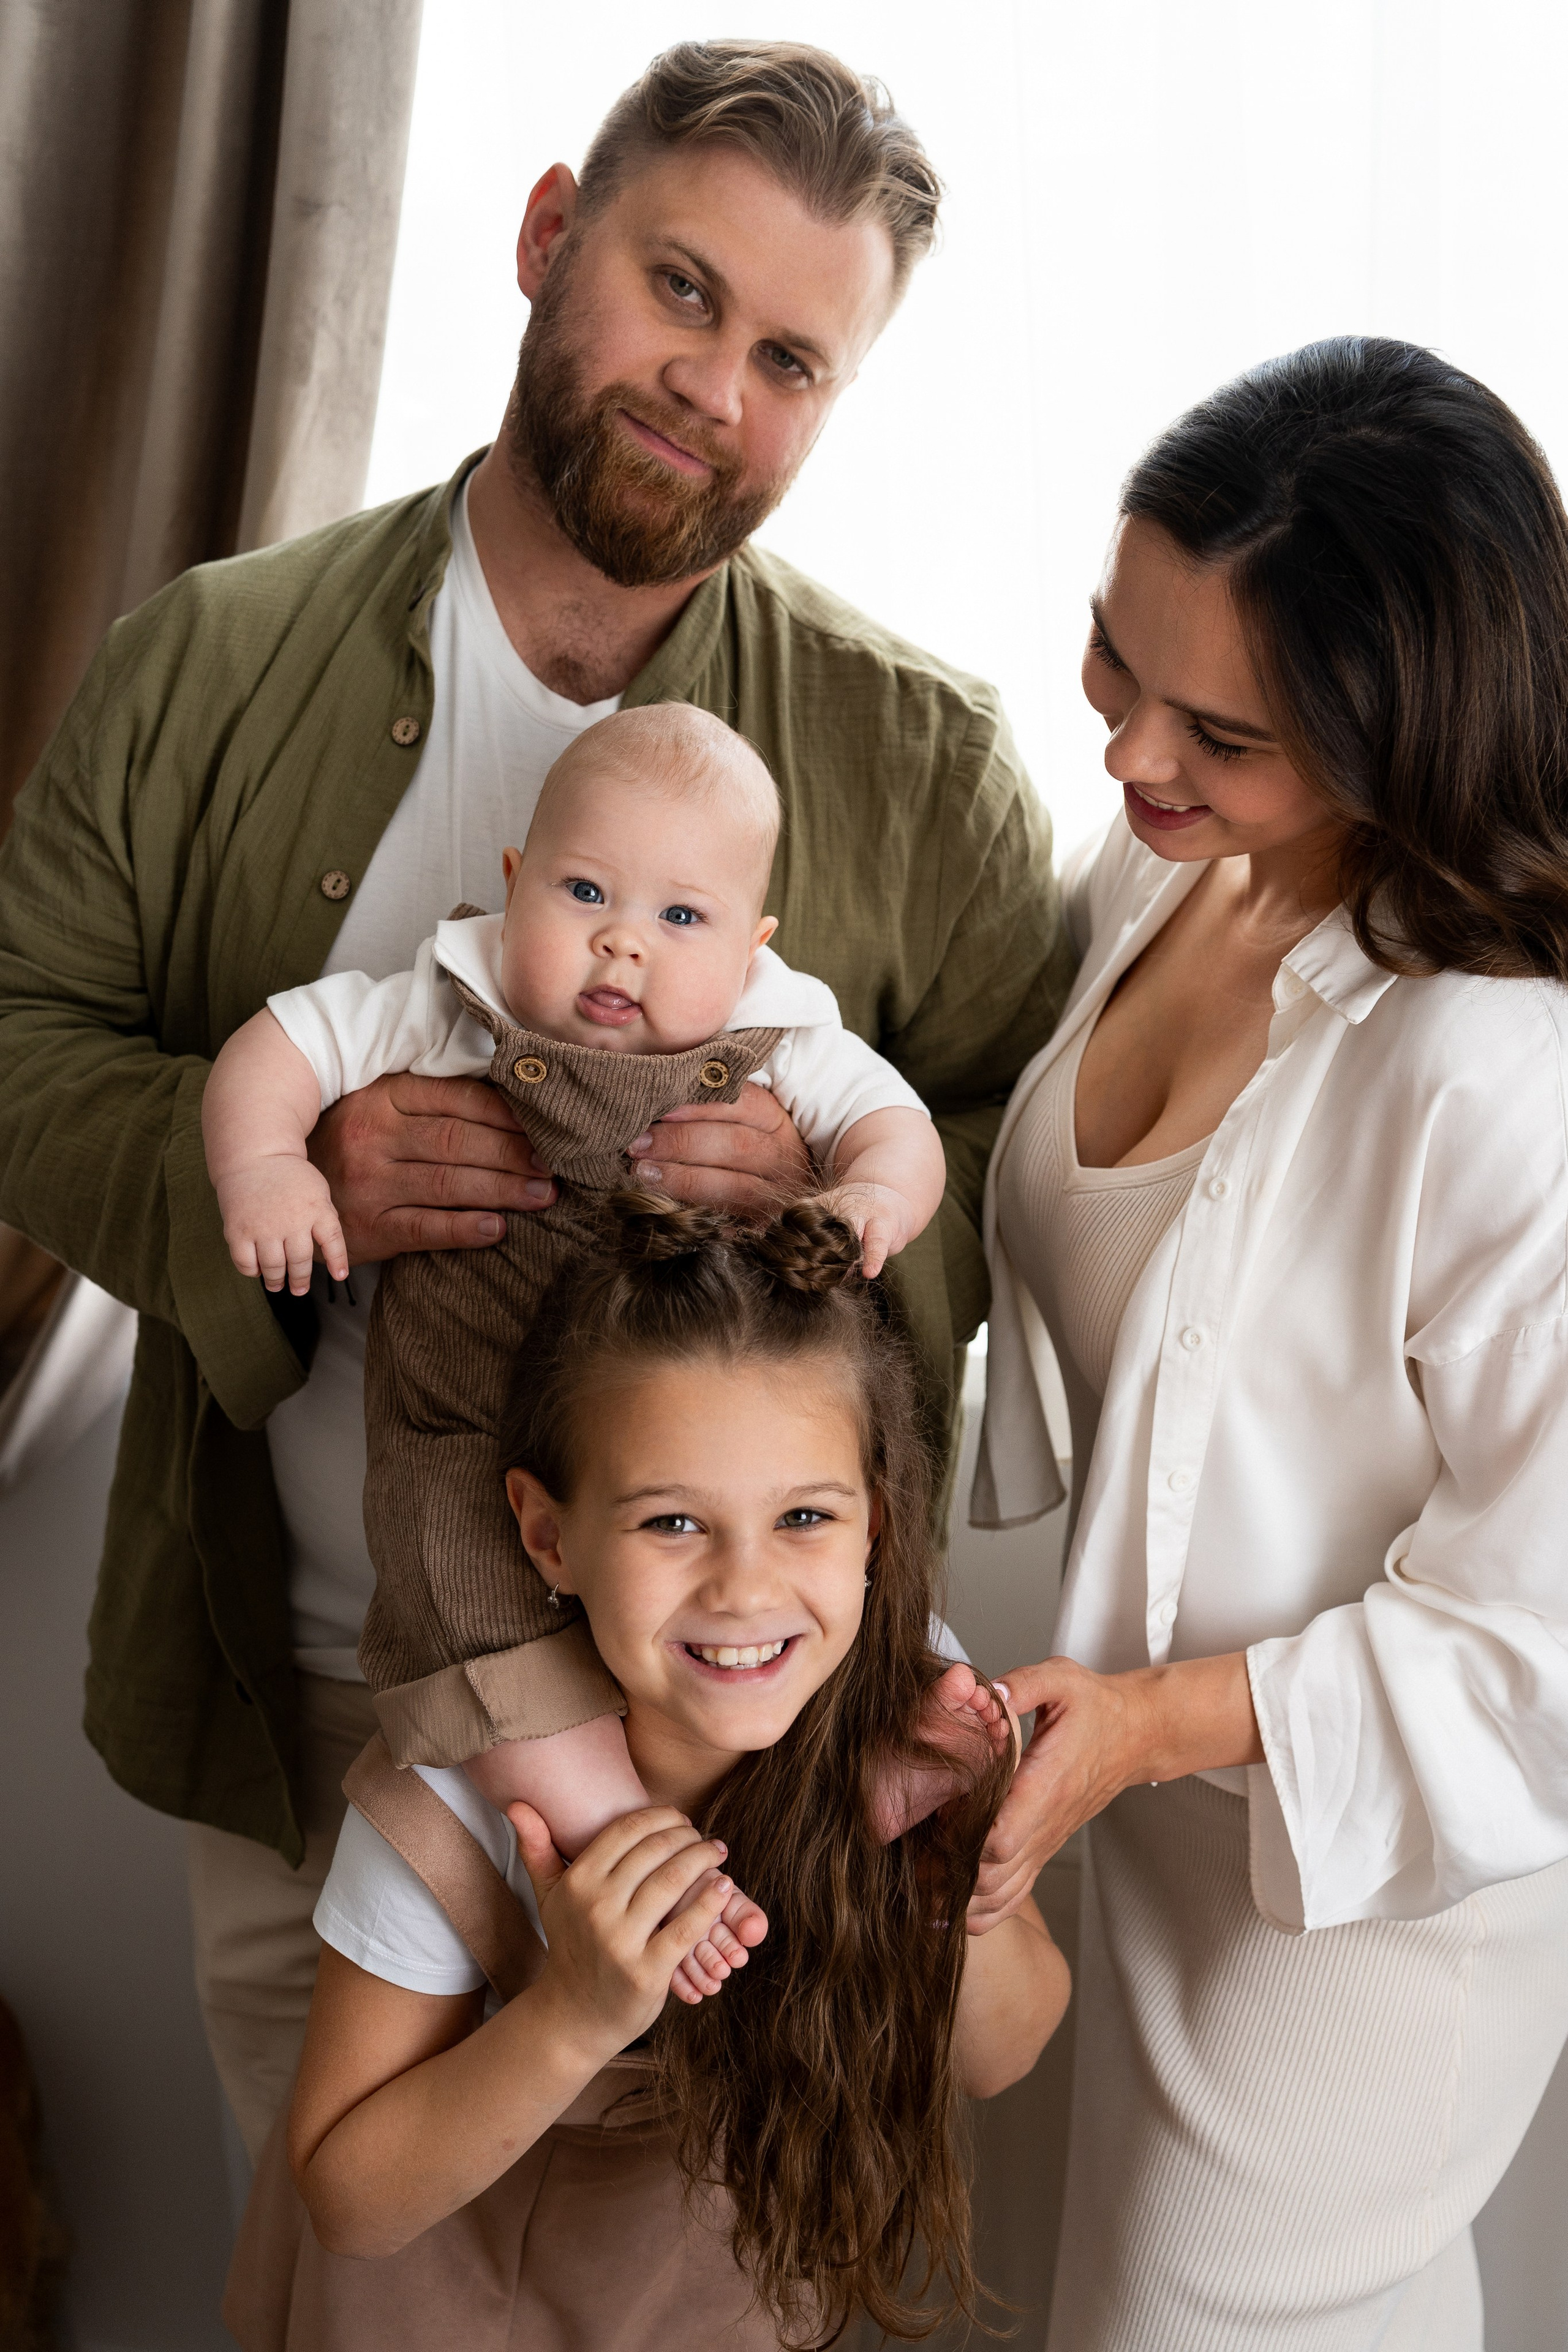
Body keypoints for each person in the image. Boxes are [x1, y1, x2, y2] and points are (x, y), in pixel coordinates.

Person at [0, 40, 1072, 2158]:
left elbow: (1016, 1168)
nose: (715, 390)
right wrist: (285, 1169)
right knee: (341, 2271)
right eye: (681, 292)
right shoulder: (205, 667)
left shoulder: (920, 758)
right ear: (546, 233)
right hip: (317, 1711)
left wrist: (821, 1192)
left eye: (791, 357)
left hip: (735, 1758)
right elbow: (24, 1036)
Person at [967, 337, 1568, 2350]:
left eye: (1216, 730)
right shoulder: (1159, 883)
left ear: (1405, 738)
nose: (1132, 760)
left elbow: (1542, 1649)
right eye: (1109, 661)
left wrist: (1152, 1723)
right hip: (1110, 1806)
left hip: (1350, 1902)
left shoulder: (1502, 1077)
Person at [224, 1193, 1068, 2349]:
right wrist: (572, 2013)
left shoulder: (916, 1709)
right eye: (673, 1524)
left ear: (875, 1521)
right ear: (547, 1536)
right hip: (449, 2310)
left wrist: (944, 1869)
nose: (745, 1590)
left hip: (722, 2296)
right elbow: (349, 2199)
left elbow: (1003, 2053)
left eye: (806, 1516)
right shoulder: (462, 1785)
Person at [205, 701, 944, 1994]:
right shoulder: (450, 1002)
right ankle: (625, 1840)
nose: (620, 941)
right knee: (464, 1595)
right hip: (473, 1427)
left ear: (753, 947)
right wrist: (270, 1165)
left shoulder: (780, 1031)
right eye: (583, 890)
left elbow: (897, 1125)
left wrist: (864, 1197)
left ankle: (870, 1738)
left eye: (680, 919)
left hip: (689, 1451)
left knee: (801, 1530)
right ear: (512, 887)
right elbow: (276, 1046)